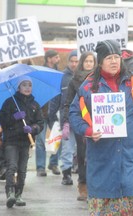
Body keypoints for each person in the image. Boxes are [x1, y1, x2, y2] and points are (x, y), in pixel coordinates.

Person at [69, 39, 133, 215]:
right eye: (109, 58)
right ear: (100, 61)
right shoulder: (88, 87)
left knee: (129, 207)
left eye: (117, 57)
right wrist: (88, 131)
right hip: (102, 156)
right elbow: (74, 114)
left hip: (129, 156)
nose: (114, 61)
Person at [0, 76, 44, 208]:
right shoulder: (9, 102)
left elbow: (40, 122)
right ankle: (10, 193)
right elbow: (1, 119)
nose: (27, 88)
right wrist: (14, 117)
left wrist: (33, 128)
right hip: (11, 140)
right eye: (24, 85)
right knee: (12, 166)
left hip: (26, 141)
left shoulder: (35, 105)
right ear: (18, 87)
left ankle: (18, 194)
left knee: (22, 170)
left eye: (29, 85)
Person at [62, 51, 96, 200]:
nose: (89, 64)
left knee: (96, 155)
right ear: (82, 62)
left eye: (91, 61)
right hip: (81, 123)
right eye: (86, 61)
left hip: (98, 122)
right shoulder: (74, 80)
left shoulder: (100, 79)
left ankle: (96, 186)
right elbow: (68, 102)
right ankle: (83, 185)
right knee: (82, 155)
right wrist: (66, 122)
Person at [49, 50, 79, 185]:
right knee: (67, 147)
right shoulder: (62, 78)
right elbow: (56, 98)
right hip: (67, 118)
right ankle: (66, 174)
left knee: (82, 148)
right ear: (68, 62)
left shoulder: (88, 77)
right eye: (72, 61)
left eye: (76, 61)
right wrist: (52, 117)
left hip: (83, 118)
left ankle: (80, 171)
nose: (74, 64)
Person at [35, 49, 61, 177]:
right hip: (40, 111)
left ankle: (53, 163)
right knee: (40, 140)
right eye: (56, 57)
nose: (58, 59)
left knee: (57, 138)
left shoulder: (59, 74)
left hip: (54, 112)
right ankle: (40, 167)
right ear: (49, 58)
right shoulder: (40, 73)